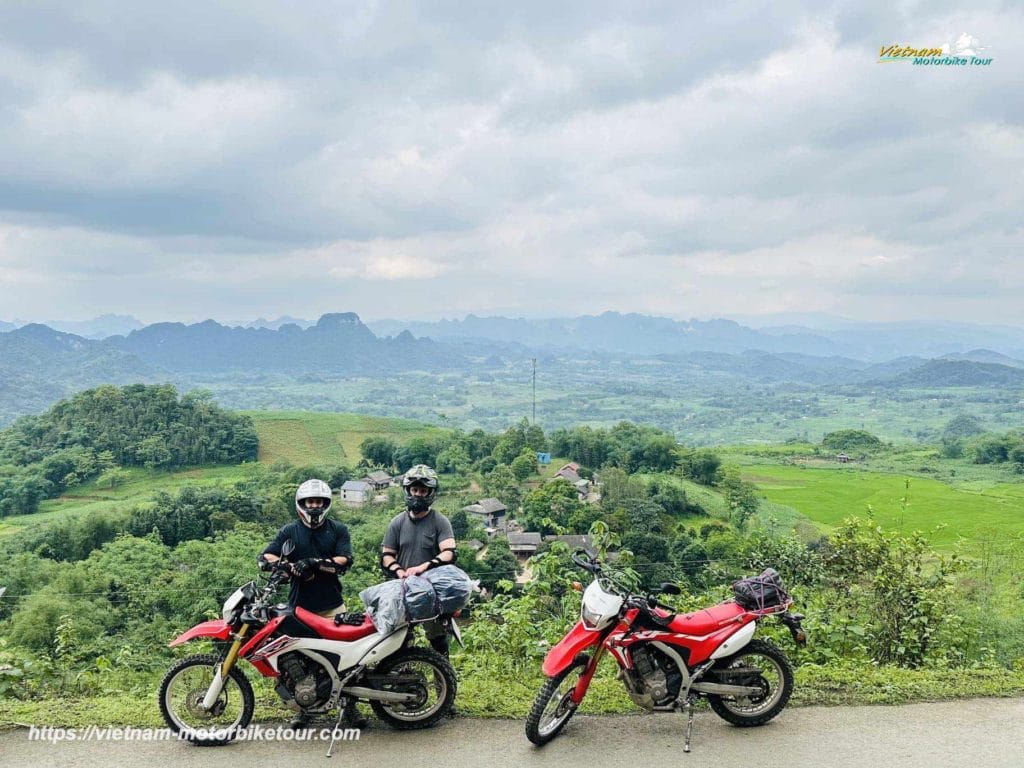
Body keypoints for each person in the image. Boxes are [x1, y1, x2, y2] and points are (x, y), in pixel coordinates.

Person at [258, 478, 364, 728]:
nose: (314, 506)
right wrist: (283, 565)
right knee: (295, 659)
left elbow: (345, 560)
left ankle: (351, 709)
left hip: (332, 606)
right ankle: (303, 709)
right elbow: (266, 554)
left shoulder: (338, 530)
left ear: (325, 504)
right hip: (299, 608)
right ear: (301, 504)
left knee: (345, 662)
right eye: (309, 502)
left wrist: (315, 563)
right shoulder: (290, 531)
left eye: (318, 502)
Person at [380, 464, 458, 656]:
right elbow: (386, 555)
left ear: (430, 493)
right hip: (402, 589)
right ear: (407, 490)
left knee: (438, 641)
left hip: (432, 590)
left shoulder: (439, 521)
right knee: (398, 641)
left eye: (423, 491)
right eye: (414, 490)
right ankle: (400, 679)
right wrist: (400, 571)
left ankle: (444, 681)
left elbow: (449, 552)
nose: (418, 495)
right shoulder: (397, 522)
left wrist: (424, 567)